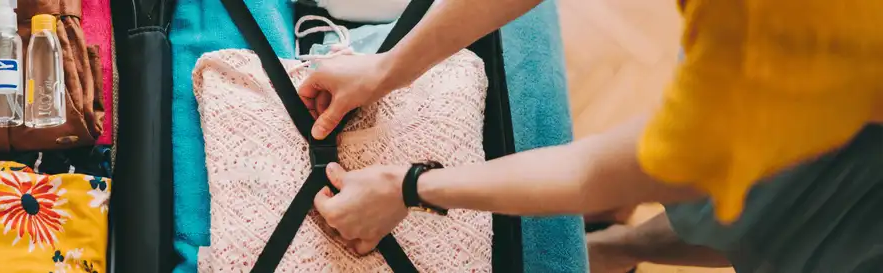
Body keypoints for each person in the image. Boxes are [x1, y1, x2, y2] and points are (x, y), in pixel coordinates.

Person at [301, 0, 883, 272]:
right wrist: (389, 66)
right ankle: (616, 249)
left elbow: (596, 170)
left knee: (779, 231)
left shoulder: (782, 50)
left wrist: (408, 187)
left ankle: (612, 249)